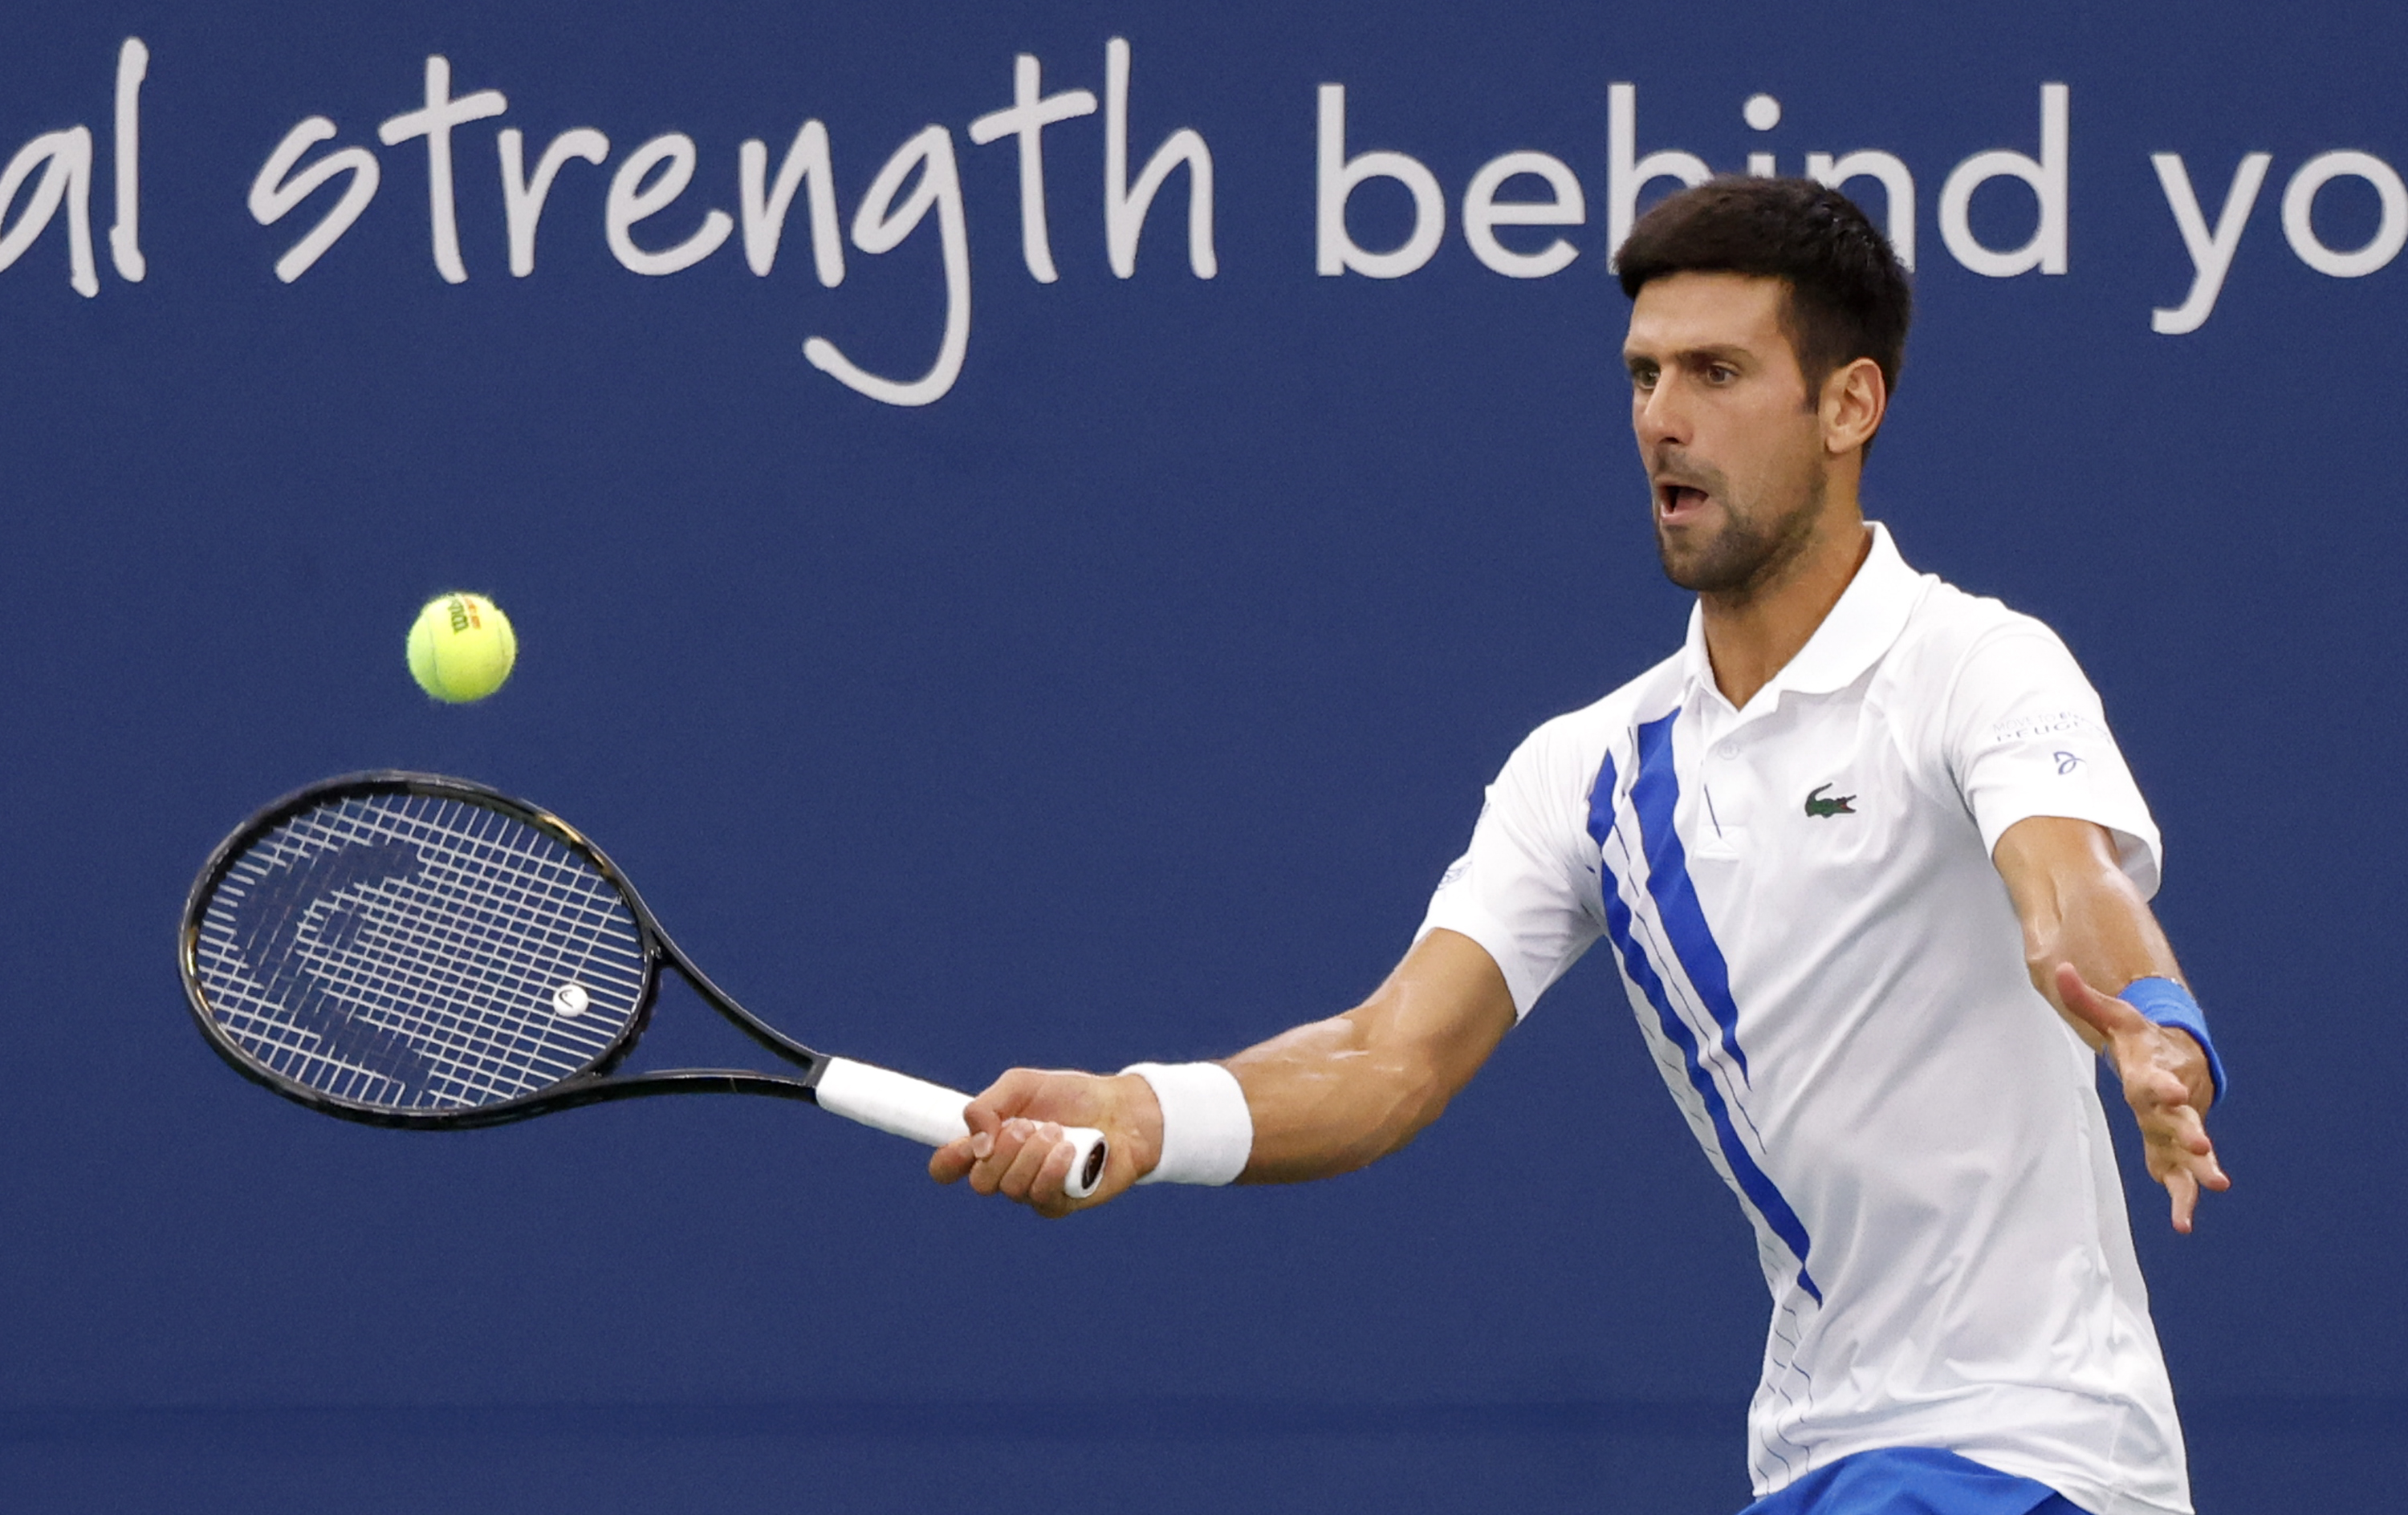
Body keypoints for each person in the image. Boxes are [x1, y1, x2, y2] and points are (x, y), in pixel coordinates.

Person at [929, 177, 2229, 1515]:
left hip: (2032, 1458)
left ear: (1849, 407)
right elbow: (1391, 1059)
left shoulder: (1977, 666)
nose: (1663, 416)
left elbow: (2068, 890)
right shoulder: (1588, 775)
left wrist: (2152, 1027)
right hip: (1819, 1457)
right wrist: (1146, 1112)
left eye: (1718, 372)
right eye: (1645, 374)